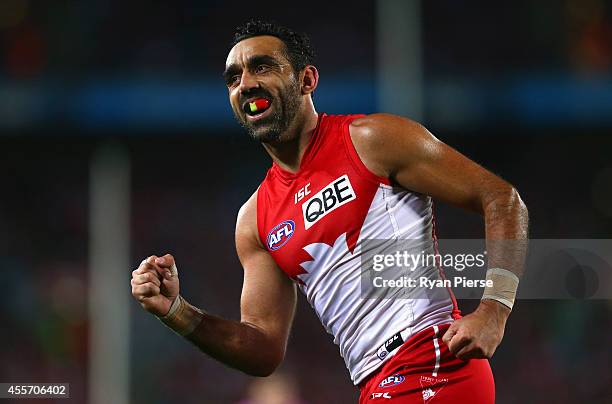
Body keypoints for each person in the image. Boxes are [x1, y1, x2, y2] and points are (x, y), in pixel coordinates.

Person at [131, 20, 529, 403]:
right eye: (233, 78)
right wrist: (177, 312)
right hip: (377, 383)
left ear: (307, 80)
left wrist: (494, 310)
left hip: (432, 362)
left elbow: (502, 199)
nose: (245, 84)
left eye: (262, 67)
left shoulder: (373, 140)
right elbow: (263, 349)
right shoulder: (255, 219)